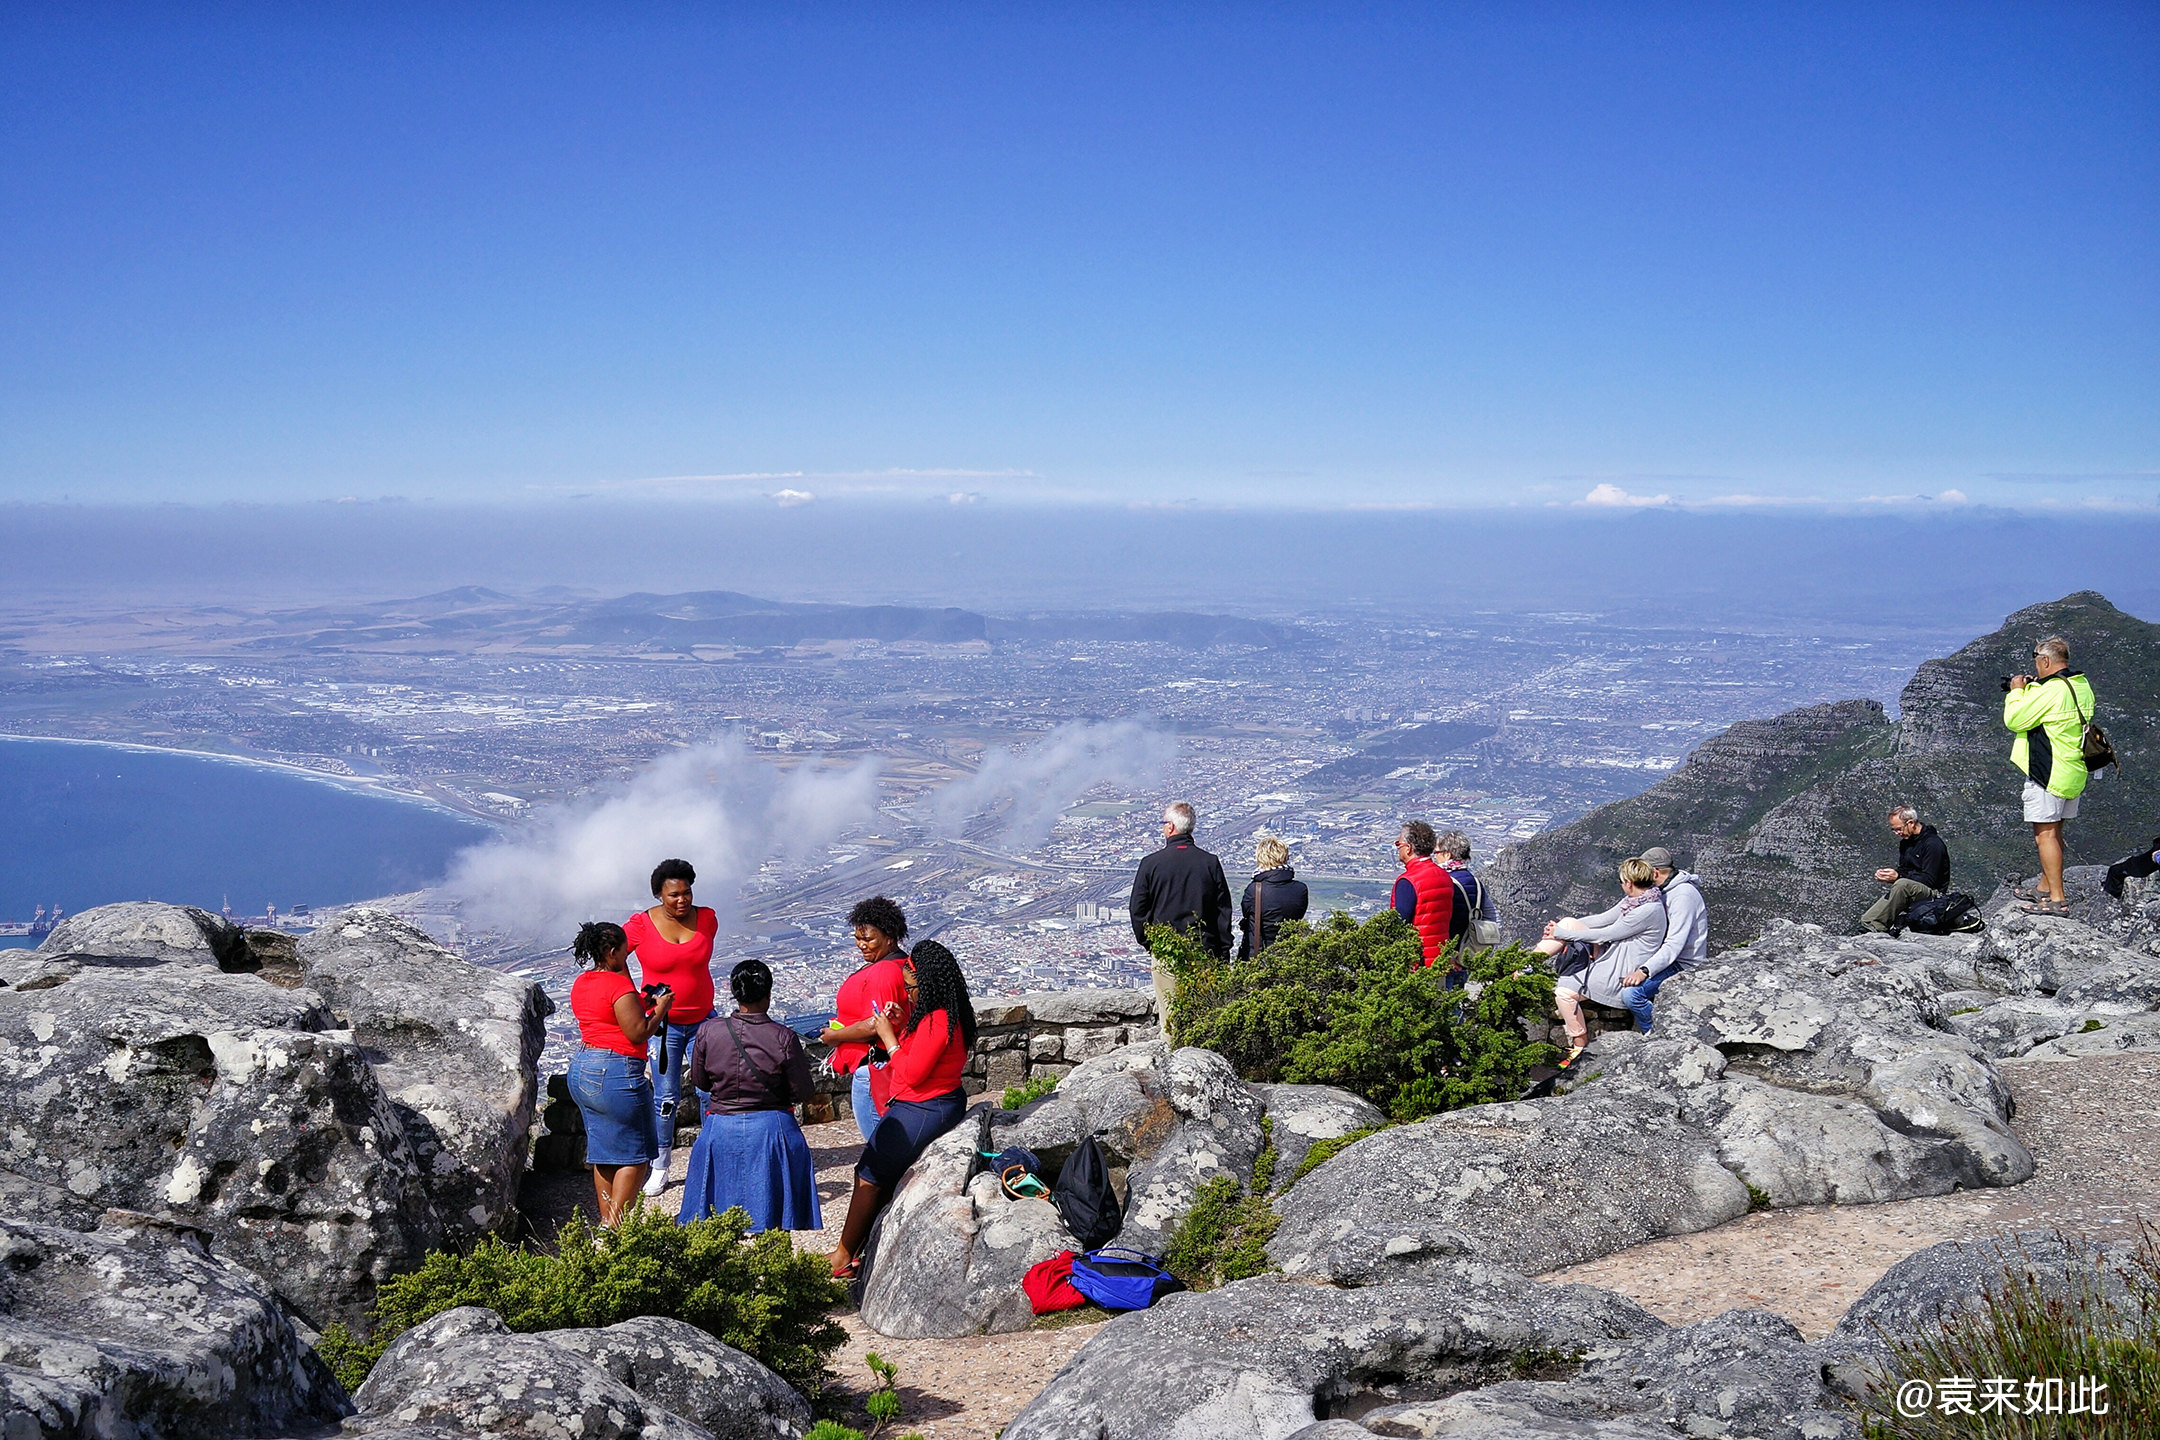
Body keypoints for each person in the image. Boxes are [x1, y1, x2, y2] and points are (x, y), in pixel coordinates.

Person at [828, 939, 976, 1278]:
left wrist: (888, 1037)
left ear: (929, 985)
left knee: (869, 1174)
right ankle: (856, 1251)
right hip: (927, 1102)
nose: (907, 993)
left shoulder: (939, 1020)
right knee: (874, 1173)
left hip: (925, 1106)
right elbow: (919, 1051)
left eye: (911, 988)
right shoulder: (942, 1014)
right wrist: (901, 1022)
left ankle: (843, 1255)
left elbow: (911, 1071)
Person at [679, 959, 822, 1233]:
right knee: (775, 1221)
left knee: (715, 1221)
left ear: (735, 993)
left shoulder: (709, 1031)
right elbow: (802, 1091)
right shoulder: (784, 1037)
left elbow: (701, 1081)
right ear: (768, 994)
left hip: (720, 1127)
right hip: (773, 1129)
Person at [624, 858, 720, 1196]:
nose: (682, 901)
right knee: (666, 1097)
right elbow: (614, 956)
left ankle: (714, 1158)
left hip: (704, 1020)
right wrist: (632, 997)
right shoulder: (640, 926)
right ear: (658, 896)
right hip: (662, 1025)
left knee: (711, 1092)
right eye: (674, 895)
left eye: (687, 893)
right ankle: (661, 1164)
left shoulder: (707, 919)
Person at [566, 920, 672, 1226]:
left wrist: (642, 1004)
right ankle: (614, 1229)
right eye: (625, 952)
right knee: (636, 1154)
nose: (627, 956)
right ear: (612, 952)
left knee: (605, 1152)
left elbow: (605, 1017)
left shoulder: (582, 982)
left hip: (583, 1067)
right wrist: (661, 1008)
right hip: (615, 1072)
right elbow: (638, 1033)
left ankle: (606, 1224)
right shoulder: (619, 985)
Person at [1531, 857, 1668, 1066]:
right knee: (1569, 922)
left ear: (1629, 883)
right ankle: (1526, 965)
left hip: (1621, 968)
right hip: (1612, 954)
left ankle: (1579, 1044)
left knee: (1564, 993)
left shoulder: (1647, 911)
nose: (1622, 886)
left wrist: (1562, 933)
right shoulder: (1636, 900)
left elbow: (1607, 934)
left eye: (1622, 882)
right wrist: (1560, 929)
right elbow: (1602, 919)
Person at [2003, 635, 2098, 915]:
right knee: (2055, 832)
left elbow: (2015, 719)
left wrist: (2017, 690)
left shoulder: (2051, 691)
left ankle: (2057, 899)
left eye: (2037, 662)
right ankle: (2045, 886)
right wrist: (2035, 689)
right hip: (2072, 770)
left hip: (2048, 771)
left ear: (2045, 661)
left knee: (2044, 836)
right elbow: (2055, 714)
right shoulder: (2081, 685)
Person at [1130, 802, 1234, 1018]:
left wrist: (1150, 943)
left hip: (1166, 950)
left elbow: (1137, 910)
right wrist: (1223, 950)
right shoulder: (1210, 863)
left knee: (1170, 1016)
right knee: (1204, 1015)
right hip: (1204, 949)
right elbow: (1222, 910)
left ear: (1169, 827)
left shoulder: (1151, 864)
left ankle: (1172, 1051)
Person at [821, 896, 911, 1142]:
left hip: (873, 1071)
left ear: (889, 936)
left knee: (879, 1149)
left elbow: (878, 1023)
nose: (861, 945)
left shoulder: (884, 971)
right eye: (858, 939)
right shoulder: (901, 964)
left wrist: (835, 1036)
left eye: (869, 939)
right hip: (885, 1068)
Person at [1617, 847, 1708, 1032]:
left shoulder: (1683, 896)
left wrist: (1644, 971)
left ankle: (1659, 1033)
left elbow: (1674, 944)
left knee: (1632, 994)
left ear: (1655, 872)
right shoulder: (1658, 891)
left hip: (1683, 964)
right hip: (1667, 959)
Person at [1390, 820, 1462, 986]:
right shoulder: (1444, 876)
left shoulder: (1408, 881)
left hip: (1416, 963)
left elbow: (1398, 924)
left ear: (1408, 848)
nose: (1398, 848)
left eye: (1398, 844)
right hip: (1440, 960)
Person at [1859, 806, 1952, 933]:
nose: (1897, 833)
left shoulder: (1932, 844)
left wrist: (1898, 877)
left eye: (1899, 829)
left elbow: (1930, 880)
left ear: (1911, 823)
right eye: (1894, 830)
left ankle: (1876, 925)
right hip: (1913, 888)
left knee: (1902, 884)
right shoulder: (1906, 843)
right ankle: (1869, 922)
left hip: (1933, 893)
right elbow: (1905, 869)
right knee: (1901, 884)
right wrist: (1891, 874)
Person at [1239, 836, 1309, 959]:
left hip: (1260, 953)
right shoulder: (1301, 889)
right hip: (1290, 954)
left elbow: (1247, 913)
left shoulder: (1254, 890)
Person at [1436, 830, 1497, 951]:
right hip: (1471, 948)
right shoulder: (1475, 882)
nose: (1435, 857)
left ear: (1447, 854)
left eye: (1436, 853)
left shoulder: (1446, 882)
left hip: (1450, 949)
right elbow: (1491, 916)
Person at [2104, 835, 2160, 900]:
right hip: (2141, 865)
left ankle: (2113, 896)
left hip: (2137, 867)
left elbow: (2157, 855)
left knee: (2114, 870)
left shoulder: (2157, 852)